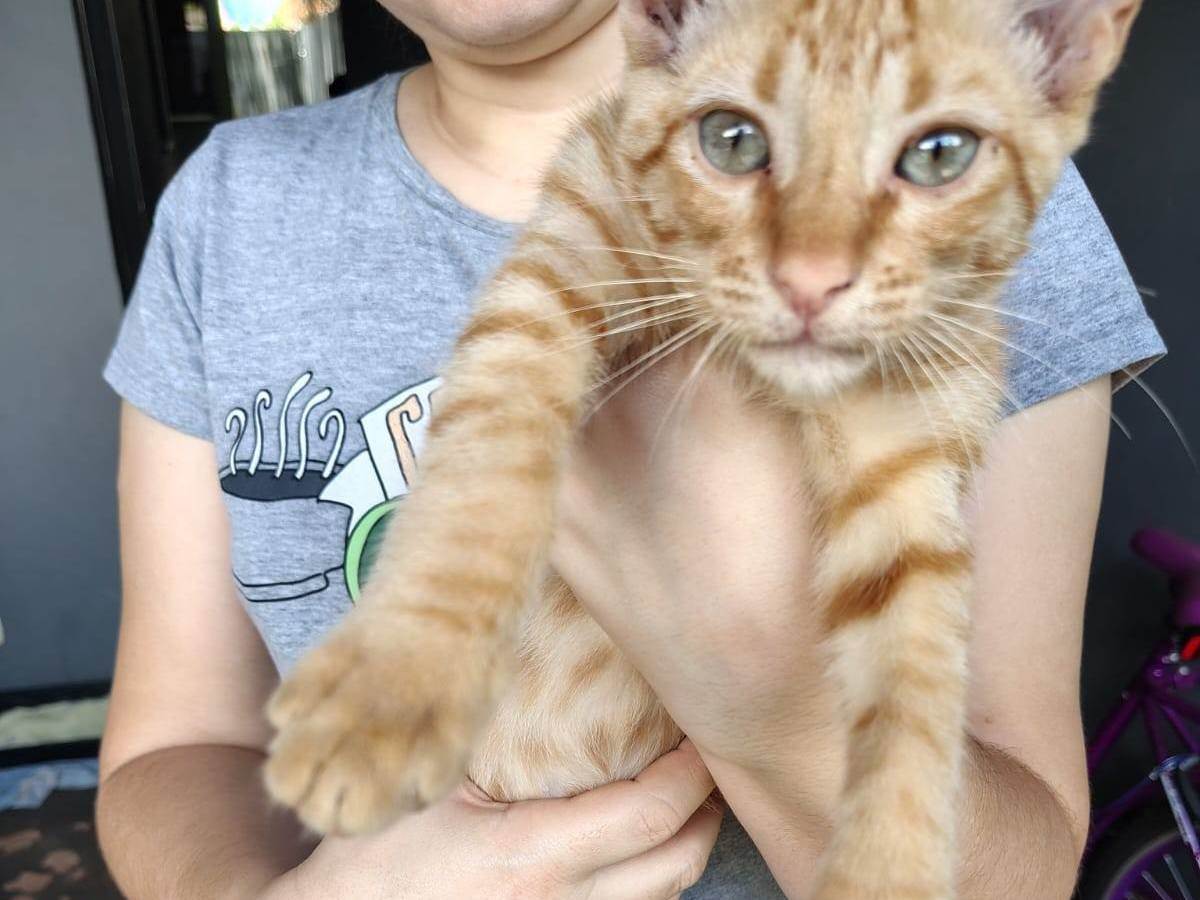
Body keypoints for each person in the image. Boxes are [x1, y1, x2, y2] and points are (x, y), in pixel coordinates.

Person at [95, 1, 1166, 897]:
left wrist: (781, 709)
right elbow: (171, 746)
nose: (813, 267)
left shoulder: (997, 187)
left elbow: (1015, 857)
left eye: (929, 156)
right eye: (737, 141)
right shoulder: (227, 206)